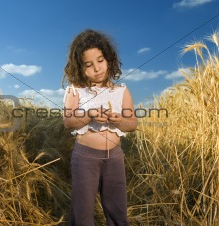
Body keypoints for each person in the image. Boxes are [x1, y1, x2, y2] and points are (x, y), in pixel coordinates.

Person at [62, 29, 138, 226]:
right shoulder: (76, 90)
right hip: (85, 158)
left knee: (117, 210)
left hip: (114, 157)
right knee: (83, 212)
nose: (96, 68)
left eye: (100, 60)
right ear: (80, 67)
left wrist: (118, 120)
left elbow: (132, 124)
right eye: (88, 65)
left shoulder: (121, 91)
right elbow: (68, 121)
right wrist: (89, 115)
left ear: (109, 59)